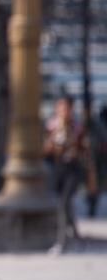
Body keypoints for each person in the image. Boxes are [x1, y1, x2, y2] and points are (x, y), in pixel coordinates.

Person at [44, 96, 88, 253]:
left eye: (66, 108)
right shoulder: (52, 126)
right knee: (65, 205)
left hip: (73, 169)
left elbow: (84, 150)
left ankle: (62, 241)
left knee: (64, 203)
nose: (64, 111)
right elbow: (47, 151)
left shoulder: (77, 127)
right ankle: (76, 236)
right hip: (58, 169)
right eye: (61, 108)